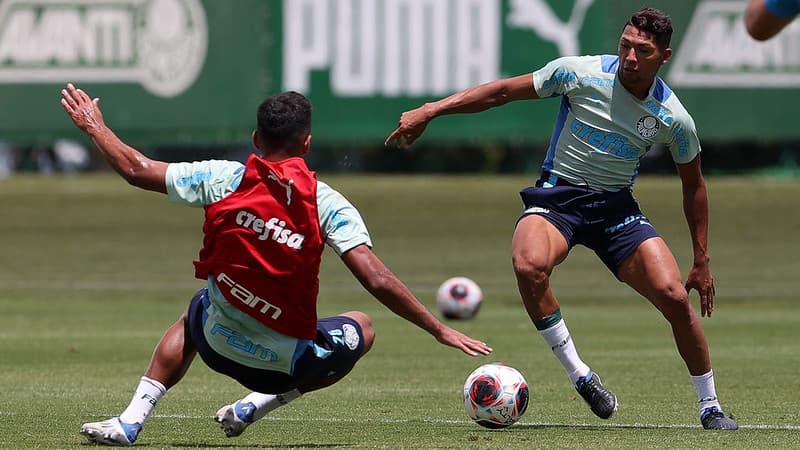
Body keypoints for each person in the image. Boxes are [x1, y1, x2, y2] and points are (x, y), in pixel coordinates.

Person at [60, 84, 493, 446]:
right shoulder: (327, 203)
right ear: (306, 143)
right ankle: (259, 403)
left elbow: (137, 169)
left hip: (215, 345)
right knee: (363, 326)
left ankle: (132, 419)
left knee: (200, 303)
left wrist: (94, 126)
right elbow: (376, 279)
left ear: (254, 139)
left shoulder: (220, 179)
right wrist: (439, 329)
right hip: (284, 368)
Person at [386, 8, 738, 430]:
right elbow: (500, 92)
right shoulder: (578, 73)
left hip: (616, 209)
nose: (629, 56)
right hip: (559, 198)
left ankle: (710, 406)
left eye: (642, 51)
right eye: (625, 45)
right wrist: (432, 110)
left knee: (675, 297)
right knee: (528, 266)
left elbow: (694, 185)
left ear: (663, 56)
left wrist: (701, 259)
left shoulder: (675, 119)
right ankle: (581, 376)